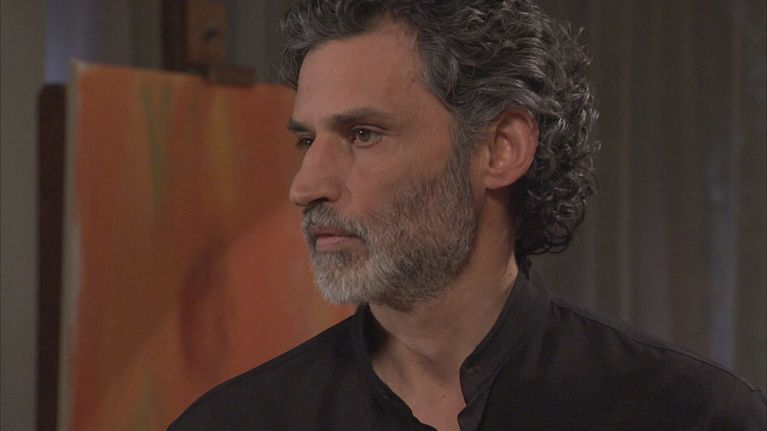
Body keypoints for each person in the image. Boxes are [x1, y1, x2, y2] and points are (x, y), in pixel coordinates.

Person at [169, 0, 766, 429]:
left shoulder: (688, 414)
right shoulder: (235, 422)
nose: (306, 186)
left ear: (500, 149)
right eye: (307, 140)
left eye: (363, 134)